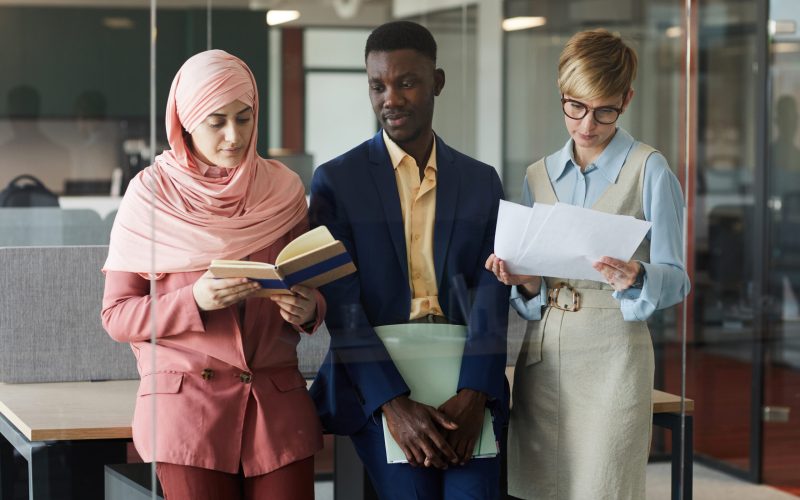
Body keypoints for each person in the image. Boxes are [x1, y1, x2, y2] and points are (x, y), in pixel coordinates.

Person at [101, 50, 324, 500]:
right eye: (216, 121)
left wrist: (309, 308)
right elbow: (118, 316)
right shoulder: (150, 195)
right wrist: (194, 300)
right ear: (185, 121)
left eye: (244, 118)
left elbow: (312, 286)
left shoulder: (282, 189)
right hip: (185, 410)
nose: (234, 136)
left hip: (276, 408)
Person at [308, 21, 509, 500]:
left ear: (437, 82)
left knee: (475, 496)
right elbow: (343, 307)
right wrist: (393, 406)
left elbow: (491, 294)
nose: (390, 99)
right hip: (378, 381)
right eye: (377, 86)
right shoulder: (337, 182)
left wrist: (474, 394)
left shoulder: (481, 182)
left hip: (464, 377)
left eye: (406, 82)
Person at [486, 29, 690, 499]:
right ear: (562, 96)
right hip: (545, 357)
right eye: (574, 106)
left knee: (605, 487)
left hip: (613, 358)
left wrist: (638, 274)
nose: (586, 125)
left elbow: (677, 280)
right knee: (536, 486)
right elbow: (531, 289)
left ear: (627, 100)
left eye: (604, 111)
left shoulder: (649, 169)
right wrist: (527, 283)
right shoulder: (537, 176)